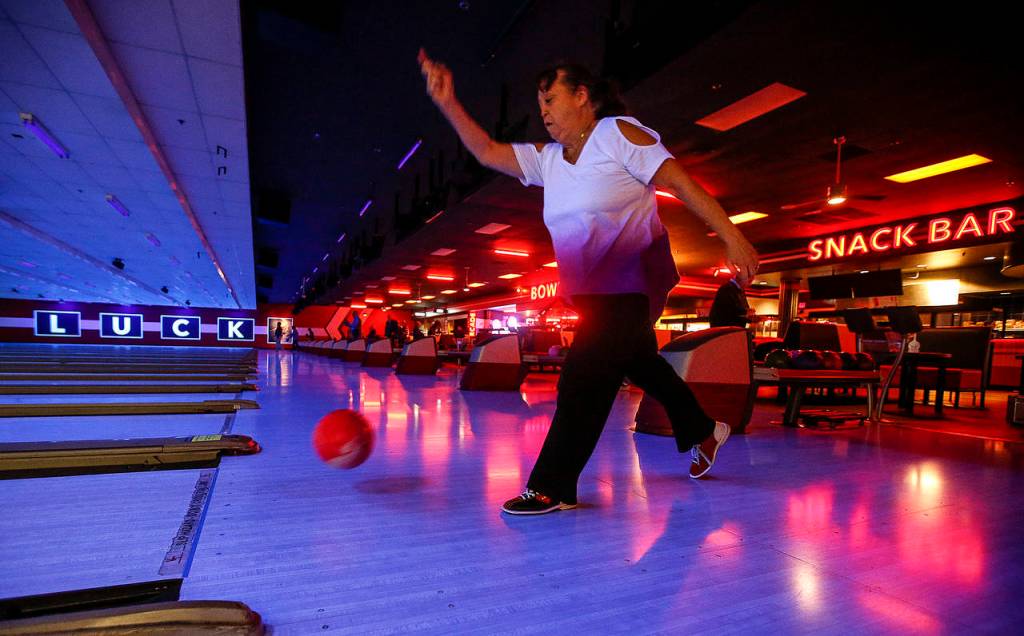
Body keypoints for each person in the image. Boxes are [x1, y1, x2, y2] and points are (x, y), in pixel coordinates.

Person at [419, 50, 759, 515]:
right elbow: (486, 152)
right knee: (642, 364)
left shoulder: (616, 134)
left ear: (583, 96)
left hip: (635, 282)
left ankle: (552, 485)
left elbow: (681, 183)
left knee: (583, 378)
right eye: (539, 103)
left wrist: (733, 237)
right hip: (594, 295)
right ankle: (703, 429)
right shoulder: (549, 160)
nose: (543, 112)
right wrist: (449, 103)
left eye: (551, 98)